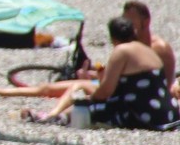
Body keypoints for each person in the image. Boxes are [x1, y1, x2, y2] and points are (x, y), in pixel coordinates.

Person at [26, 17, 179, 130]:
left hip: (143, 115)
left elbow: (106, 91)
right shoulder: (147, 49)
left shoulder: (121, 51)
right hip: (167, 113)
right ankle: (55, 117)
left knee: (86, 107)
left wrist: (89, 99)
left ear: (113, 38)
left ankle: (55, 118)